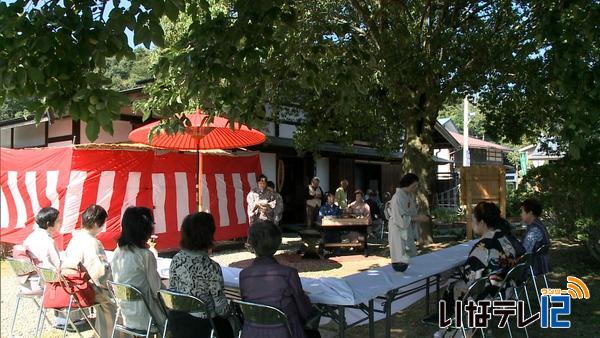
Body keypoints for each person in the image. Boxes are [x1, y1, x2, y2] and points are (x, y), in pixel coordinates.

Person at [431, 202, 525, 334]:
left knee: (452, 287)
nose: (472, 223)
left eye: (473, 219)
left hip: (489, 296)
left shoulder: (483, 247)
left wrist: (450, 277)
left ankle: (451, 331)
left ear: (482, 222)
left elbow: (472, 279)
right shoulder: (505, 238)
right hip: (506, 290)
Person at [240, 221, 321, 338]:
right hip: (285, 332)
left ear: (251, 244)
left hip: (252, 332)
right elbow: (304, 309)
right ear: (278, 244)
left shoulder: (244, 275)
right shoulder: (288, 274)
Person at [168, 212, 235, 338]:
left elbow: (173, 291)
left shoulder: (176, 259)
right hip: (202, 327)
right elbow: (222, 310)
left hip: (178, 322)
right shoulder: (211, 267)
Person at [62, 204, 118, 338]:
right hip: (85, 288)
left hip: (71, 285)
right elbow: (100, 274)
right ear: (98, 223)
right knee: (114, 302)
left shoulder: (75, 239)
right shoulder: (93, 242)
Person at [111, 207, 166, 333]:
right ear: (145, 229)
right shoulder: (145, 255)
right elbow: (157, 290)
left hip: (127, 316)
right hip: (149, 317)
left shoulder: (117, 252)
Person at [388, 174, 430, 272]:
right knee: (400, 254)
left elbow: (412, 212)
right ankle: (401, 274)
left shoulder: (409, 195)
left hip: (407, 228)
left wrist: (419, 216)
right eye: (414, 186)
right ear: (407, 184)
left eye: (416, 186)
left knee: (409, 252)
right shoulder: (397, 197)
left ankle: (412, 273)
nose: (415, 188)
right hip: (398, 228)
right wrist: (418, 218)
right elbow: (400, 218)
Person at [520, 198, 551, 275]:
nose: (521, 214)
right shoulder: (539, 224)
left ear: (530, 213)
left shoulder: (534, 230)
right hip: (540, 263)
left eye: (522, 211)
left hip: (533, 266)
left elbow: (524, 251)